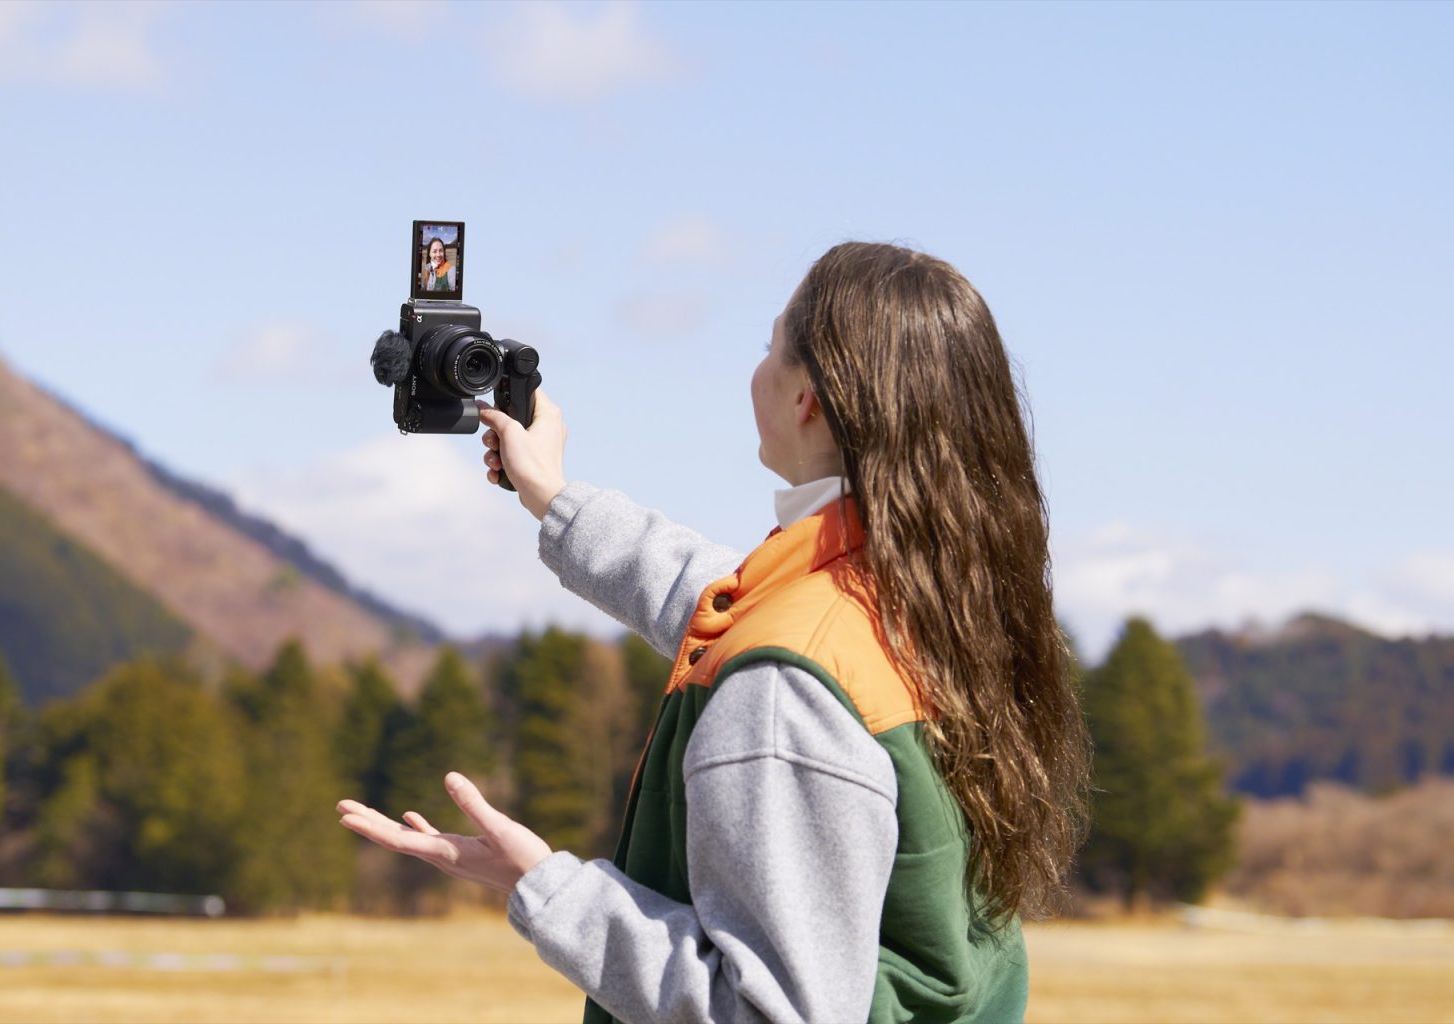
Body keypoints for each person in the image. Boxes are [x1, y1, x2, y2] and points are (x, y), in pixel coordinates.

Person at [338, 242, 1091, 1023]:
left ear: (809, 400)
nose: (757, 369)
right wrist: (552, 494)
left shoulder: (783, 685)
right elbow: (721, 597)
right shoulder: (940, 606)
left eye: (770, 348)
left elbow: (766, 1011)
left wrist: (553, 890)